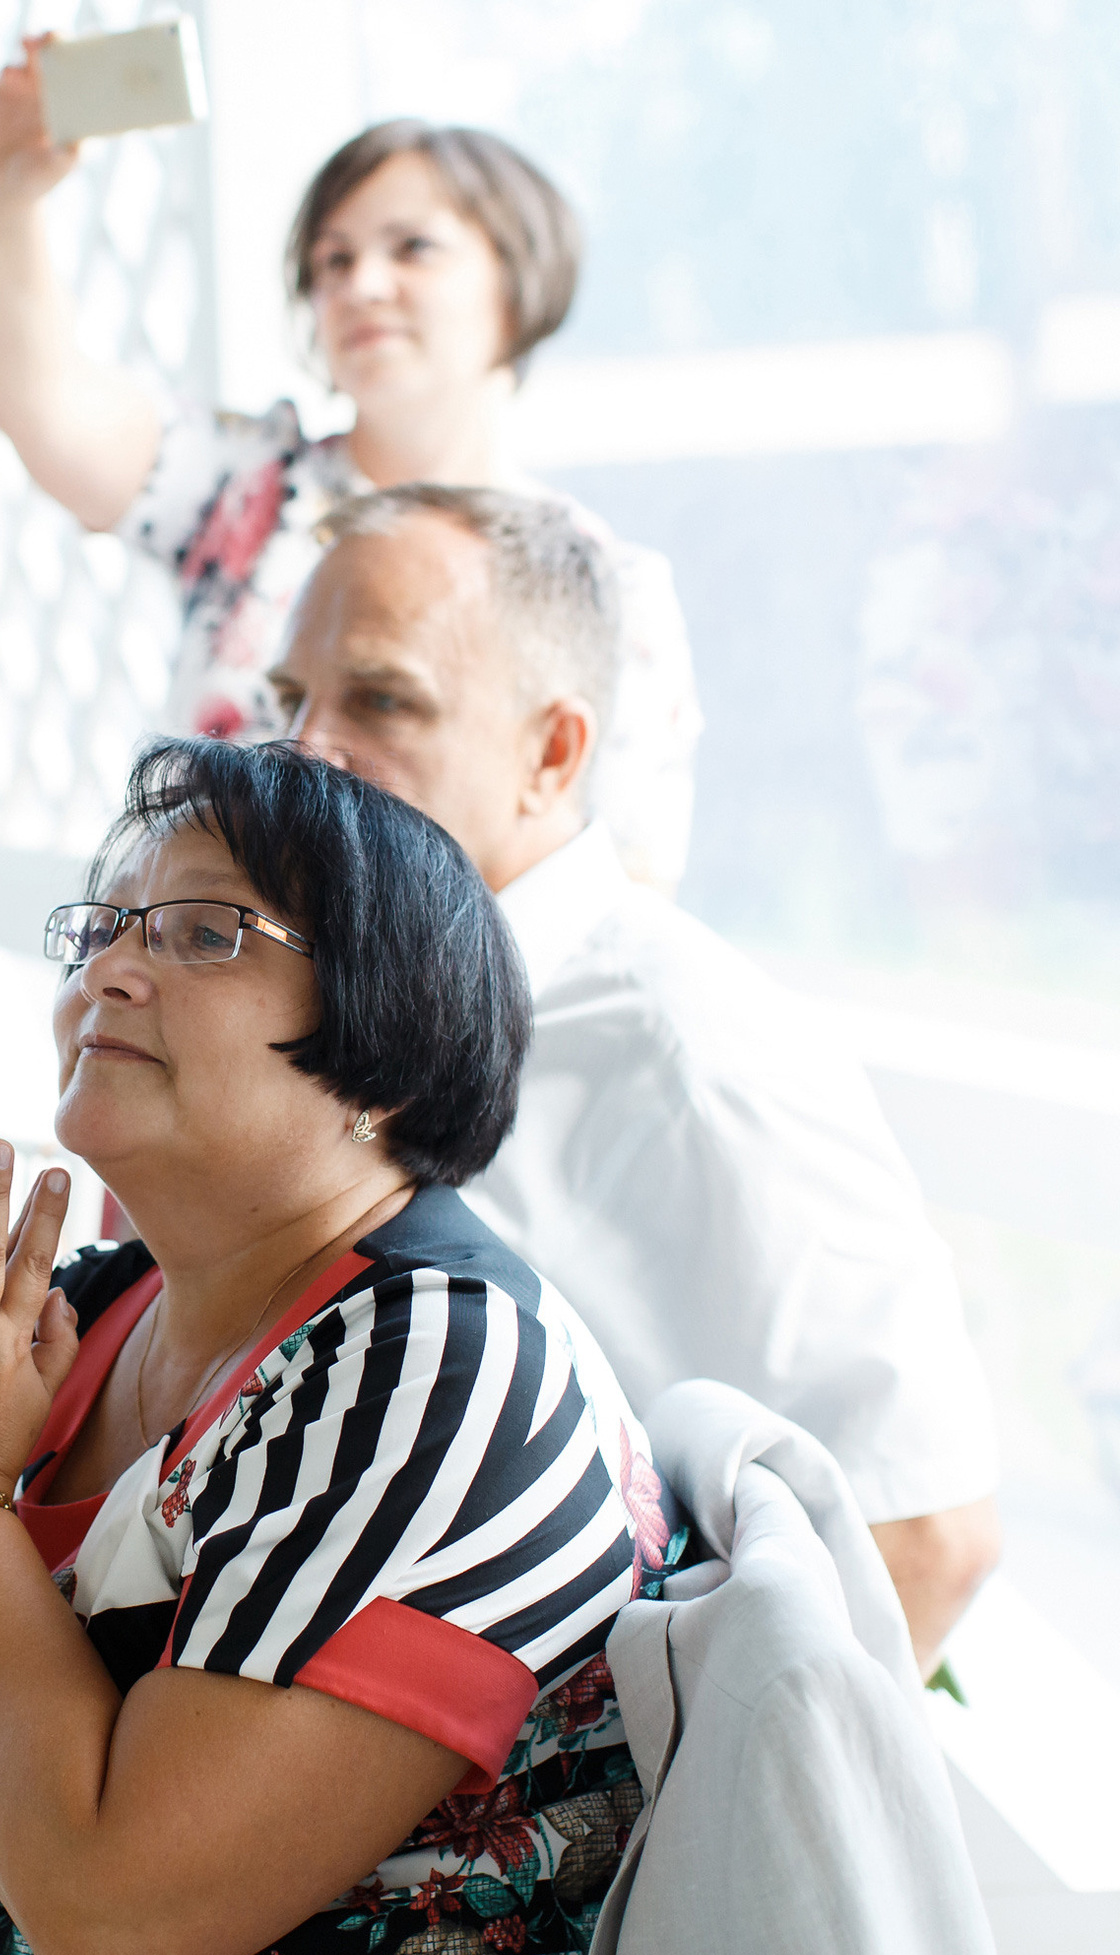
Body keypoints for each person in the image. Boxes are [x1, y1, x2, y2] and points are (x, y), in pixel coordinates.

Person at [0, 739, 675, 1955]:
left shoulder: (441, 1373)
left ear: (390, 1053)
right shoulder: (82, 1315)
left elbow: (107, 1920)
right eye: (104, 929)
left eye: (203, 936)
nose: (110, 973)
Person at [267, 482, 1000, 1672]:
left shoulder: (691, 1060)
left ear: (551, 754)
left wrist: (630, 1836)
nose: (301, 753)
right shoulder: (350, 997)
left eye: (381, 699)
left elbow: (923, 1535)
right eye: (286, 699)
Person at [0, 53, 702, 890]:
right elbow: (45, 401)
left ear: (521, 275)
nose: (362, 285)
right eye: (333, 261)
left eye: (412, 248)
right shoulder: (249, 489)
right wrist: (2, 187)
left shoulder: (611, 590)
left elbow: (628, 886)